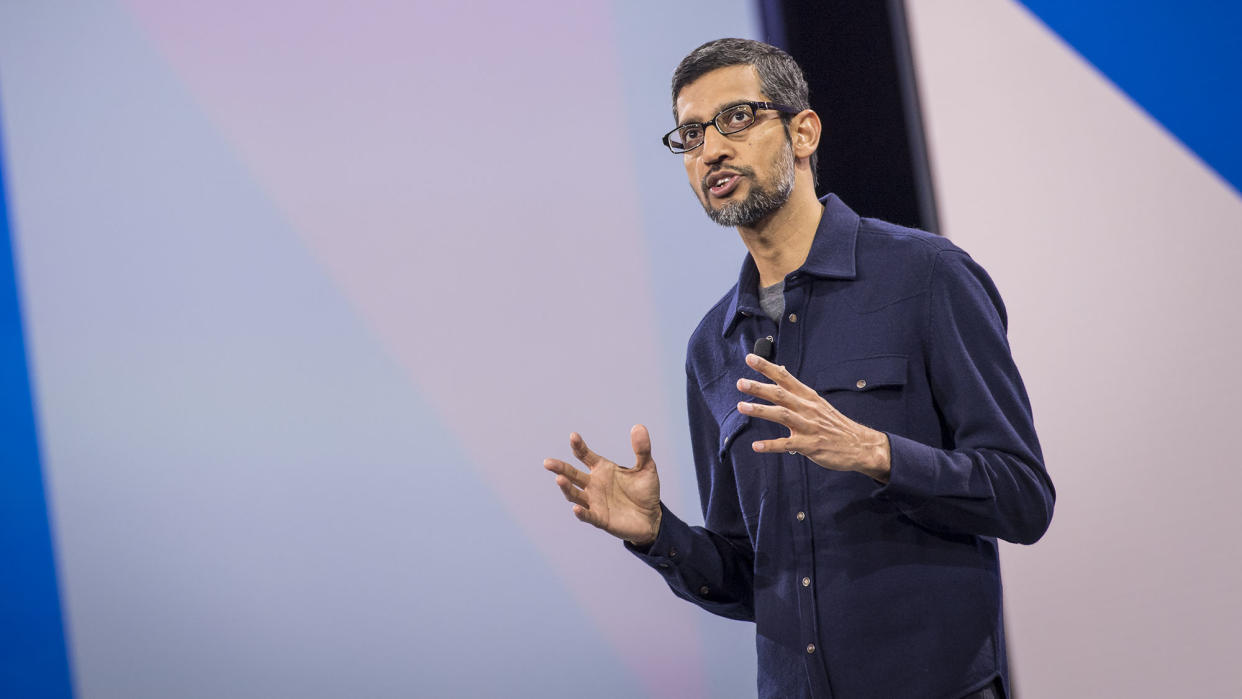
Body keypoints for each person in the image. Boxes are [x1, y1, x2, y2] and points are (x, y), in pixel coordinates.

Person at [543, 38, 1054, 699]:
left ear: (803, 130)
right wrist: (659, 534)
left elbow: (1023, 497)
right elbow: (747, 574)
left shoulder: (927, 276)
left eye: (736, 119)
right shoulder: (712, 345)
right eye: (692, 134)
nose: (711, 150)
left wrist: (875, 451)